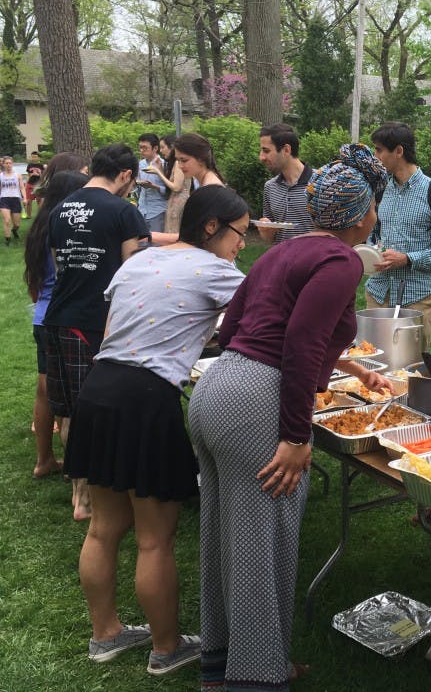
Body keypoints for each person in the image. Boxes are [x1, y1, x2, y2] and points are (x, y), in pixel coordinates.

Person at [188, 145, 393, 691]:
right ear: (361, 215)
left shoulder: (283, 251)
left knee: (222, 537)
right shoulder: (341, 261)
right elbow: (300, 345)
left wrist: (348, 364)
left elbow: (237, 327)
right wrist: (296, 436)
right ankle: (257, 677)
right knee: (262, 544)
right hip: (258, 400)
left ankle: (221, 666)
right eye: (374, 206)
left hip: (216, 390)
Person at [65, 187, 248, 675]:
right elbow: (264, 324)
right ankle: (167, 648)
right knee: (154, 539)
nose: (242, 244)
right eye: (240, 232)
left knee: (103, 528)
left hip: (98, 389)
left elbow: (117, 327)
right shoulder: (218, 272)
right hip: (146, 400)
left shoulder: (140, 259)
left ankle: (105, 634)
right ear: (212, 227)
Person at [45, 144, 150, 520]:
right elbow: (134, 273)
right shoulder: (124, 211)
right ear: (125, 175)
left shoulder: (60, 208)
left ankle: (80, 491)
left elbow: (59, 264)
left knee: (68, 410)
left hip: (58, 317)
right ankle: (87, 498)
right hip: (95, 321)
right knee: (91, 409)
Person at [23, 160, 90, 479]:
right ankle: (74, 468)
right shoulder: (66, 228)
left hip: (42, 315)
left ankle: (44, 460)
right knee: (67, 394)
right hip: (63, 317)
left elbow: (34, 281)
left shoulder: (40, 225)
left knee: (46, 389)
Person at [367, 121, 431, 350]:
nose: (375, 156)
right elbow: (373, 235)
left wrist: (407, 259)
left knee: (410, 363)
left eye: (379, 150)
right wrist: (370, 252)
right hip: (378, 292)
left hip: (419, 294)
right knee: (372, 360)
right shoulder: (380, 190)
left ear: (399, 151)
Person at [257, 123, 313, 243]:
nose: (261, 157)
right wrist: (266, 232)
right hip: (281, 255)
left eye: (266, 151)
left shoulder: (320, 183)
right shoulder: (270, 187)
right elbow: (269, 240)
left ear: (286, 150)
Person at [142, 135, 192, 234]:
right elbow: (169, 183)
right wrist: (160, 169)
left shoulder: (178, 163)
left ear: (172, 147)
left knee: (174, 232)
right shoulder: (173, 163)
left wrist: (158, 172)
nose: (161, 151)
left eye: (163, 147)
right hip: (172, 202)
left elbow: (176, 187)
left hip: (178, 203)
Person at [136, 133, 169, 233]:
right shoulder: (140, 164)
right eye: (140, 147)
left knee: (156, 241)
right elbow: (136, 183)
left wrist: (154, 186)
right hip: (142, 209)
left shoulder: (164, 165)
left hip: (157, 210)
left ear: (155, 148)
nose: (142, 150)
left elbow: (170, 190)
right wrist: (137, 183)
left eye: (145, 148)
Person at [1, 155, 26, 245]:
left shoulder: (17, 175)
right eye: (6, 163)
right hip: (4, 199)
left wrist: (25, 198)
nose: (8, 165)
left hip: (15, 199)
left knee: (16, 224)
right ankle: (7, 239)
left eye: (10, 163)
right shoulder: (1, 176)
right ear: (3, 164)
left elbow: (22, 187)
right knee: (7, 220)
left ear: (12, 164)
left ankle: (14, 230)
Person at [24, 150, 45, 219]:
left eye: (35, 157)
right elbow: (28, 175)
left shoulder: (41, 165)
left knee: (39, 200)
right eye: (32, 157)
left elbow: (43, 176)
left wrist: (39, 174)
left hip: (38, 184)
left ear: (38, 157)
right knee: (28, 201)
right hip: (30, 184)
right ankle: (28, 215)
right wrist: (32, 174)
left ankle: (39, 216)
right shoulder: (29, 165)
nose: (34, 158)